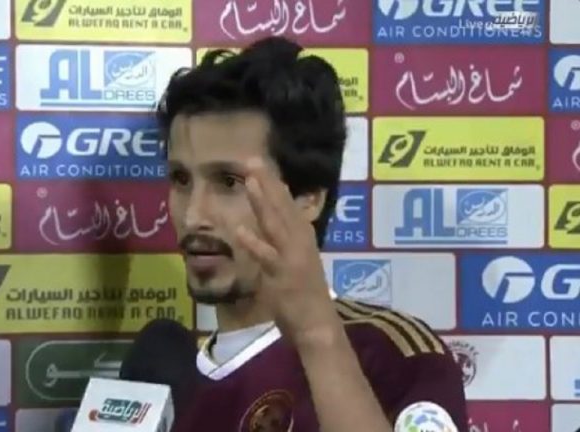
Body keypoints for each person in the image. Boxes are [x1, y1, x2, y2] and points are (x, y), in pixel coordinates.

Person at [156, 36, 468, 432]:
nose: (194, 214)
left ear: (308, 199)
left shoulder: (393, 357)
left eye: (229, 181)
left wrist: (317, 337)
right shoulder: (167, 382)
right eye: (181, 179)